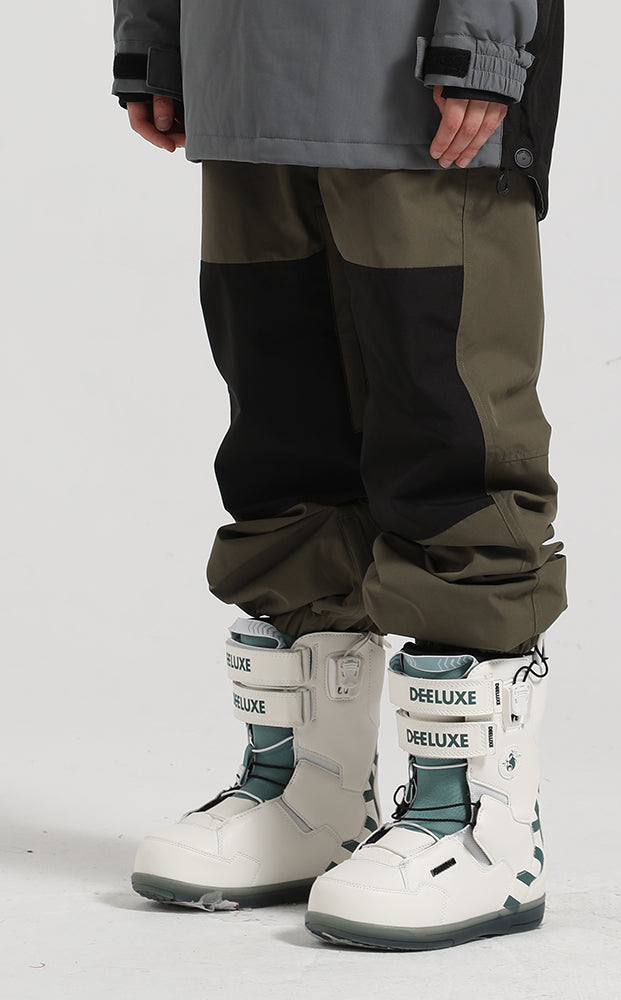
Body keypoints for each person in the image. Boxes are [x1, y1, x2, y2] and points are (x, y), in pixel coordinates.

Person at [112, 0, 567, 950]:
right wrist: (155, 31)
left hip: (409, 66)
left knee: (452, 437)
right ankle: (310, 792)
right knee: (283, 438)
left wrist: (486, 39)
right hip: (237, 60)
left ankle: (474, 821)